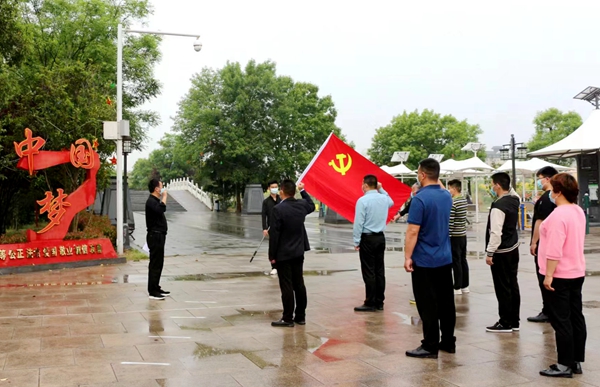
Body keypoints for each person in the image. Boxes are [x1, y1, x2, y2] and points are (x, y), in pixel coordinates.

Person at [404, 158, 455, 359]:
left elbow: (412, 232)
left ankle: (430, 344)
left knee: (427, 303)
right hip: (445, 256)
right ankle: (448, 341)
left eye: (418, 172)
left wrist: (408, 256)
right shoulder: (446, 196)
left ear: (422, 175)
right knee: (446, 302)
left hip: (425, 259)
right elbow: (439, 186)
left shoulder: (419, 199)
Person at [538, 173, 587, 378]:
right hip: (576, 270)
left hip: (560, 274)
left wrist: (549, 275)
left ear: (558, 192)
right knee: (576, 316)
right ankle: (575, 360)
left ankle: (564, 364)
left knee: (561, 320)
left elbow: (555, 249)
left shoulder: (559, 215)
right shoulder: (577, 211)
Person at [268, 180, 315, 327]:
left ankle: (287, 317)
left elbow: (274, 235)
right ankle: (300, 316)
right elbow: (311, 205)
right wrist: (303, 191)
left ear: (281, 192)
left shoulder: (278, 210)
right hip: (298, 250)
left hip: (283, 252)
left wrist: (272, 256)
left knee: (287, 285)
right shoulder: (301, 206)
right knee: (299, 283)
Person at [485, 172, 521, 332]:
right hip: (513, 247)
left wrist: (490, 252)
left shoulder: (498, 206)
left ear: (497, 186)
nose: (492, 187)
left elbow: (495, 232)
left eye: (493, 184)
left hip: (501, 252)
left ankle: (505, 321)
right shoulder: (515, 200)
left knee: (502, 287)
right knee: (512, 284)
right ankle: (515, 320)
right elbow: (512, 191)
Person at [353, 175, 394, 312]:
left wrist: (356, 240)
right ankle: (379, 301)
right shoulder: (383, 198)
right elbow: (391, 202)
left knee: (369, 271)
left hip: (367, 237)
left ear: (365, 185)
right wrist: (381, 189)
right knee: (379, 270)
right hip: (380, 237)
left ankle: (370, 301)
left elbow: (359, 222)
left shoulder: (362, 201)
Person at [528, 166, 558, 323]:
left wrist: (534, 242)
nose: (539, 181)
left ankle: (548, 310)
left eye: (539, 178)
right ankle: (552, 308)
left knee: (543, 276)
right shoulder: (556, 198)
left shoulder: (546, 199)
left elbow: (540, 221)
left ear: (547, 179)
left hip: (543, 244)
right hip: (552, 242)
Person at [145, 178, 170, 300]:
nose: (163, 189)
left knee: (159, 263)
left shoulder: (154, 200)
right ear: (156, 189)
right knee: (155, 263)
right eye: (162, 186)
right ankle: (152, 291)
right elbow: (161, 209)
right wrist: (165, 197)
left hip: (159, 235)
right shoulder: (151, 201)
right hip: (155, 235)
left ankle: (156, 287)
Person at [448, 180, 469, 295]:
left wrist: (448, 235)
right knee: (463, 260)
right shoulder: (464, 200)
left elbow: (451, 222)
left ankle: (457, 286)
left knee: (456, 261)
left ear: (454, 189)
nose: (449, 190)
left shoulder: (454, 203)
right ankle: (465, 285)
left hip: (455, 236)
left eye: (450, 188)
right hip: (463, 235)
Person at [262, 180, 281, 276]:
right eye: (272, 187)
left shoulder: (281, 199)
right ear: (269, 188)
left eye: (276, 186)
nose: (275, 189)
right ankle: (274, 266)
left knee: (282, 246)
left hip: (282, 227)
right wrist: (264, 228)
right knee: (273, 247)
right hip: (271, 228)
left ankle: (281, 265)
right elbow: (263, 215)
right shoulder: (266, 202)